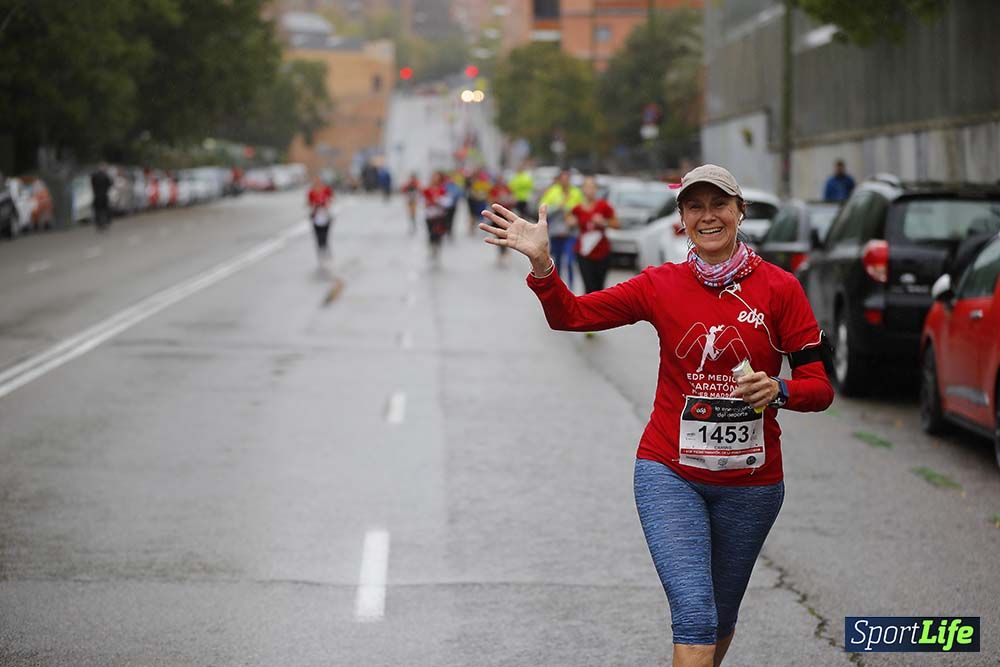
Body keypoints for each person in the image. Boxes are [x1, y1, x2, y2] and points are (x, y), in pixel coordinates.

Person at [480, 163, 834, 667]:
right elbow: (571, 316)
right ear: (682, 218)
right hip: (669, 471)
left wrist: (778, 390)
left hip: (752, 486)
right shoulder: (659, 284)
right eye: (695, 207)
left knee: (720, 619)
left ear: (740, 212)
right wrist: (542, 266)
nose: (707, 216)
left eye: (718, 205)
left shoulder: (781, 290)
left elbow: (820, 389)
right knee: (694, 616)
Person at [571, 175, 619, 296]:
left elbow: (616, 224)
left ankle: (598, 312)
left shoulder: (603, 206)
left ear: (596, 189)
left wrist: (604, 222)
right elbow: (569, 220)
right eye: (586, 187)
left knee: (599, 287)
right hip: (584, 252)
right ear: (582, 189)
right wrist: (571, 222)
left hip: (602, 251)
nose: (589, 190)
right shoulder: (577, 208)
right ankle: (588, 313)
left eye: (592, 187)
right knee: (588, 285)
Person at [538, 170, 583, 290]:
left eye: (567, 179)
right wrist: (559, 207)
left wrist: (575, 218)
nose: (565, 181)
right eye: (562, 179)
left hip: (571, 232)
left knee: (569, 261)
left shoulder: (576, 192)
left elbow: (582, 210)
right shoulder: (553, 191)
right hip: (556, 232)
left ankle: (570, 288)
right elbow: (543, 209)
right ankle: (557, 287)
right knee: (556, 261)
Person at [422, 171, 450, 263]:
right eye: (434, 177)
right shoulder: (427, 189)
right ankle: (432, 247)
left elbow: (447, 202)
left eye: (437, 177)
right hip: (430, 215)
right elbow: (422, 200)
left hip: (439, 215)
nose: (435, 179)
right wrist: (428, 202)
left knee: (438, 233)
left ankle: (437, 247)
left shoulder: (442, 189)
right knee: (431, 233)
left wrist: (438, 201)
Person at [487, 176, 516, 265]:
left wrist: (508, 199)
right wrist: (498, 199)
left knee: (505, 234)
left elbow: (513, 199)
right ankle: (501, 252)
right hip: (496, 214)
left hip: (505, 214)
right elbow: (490, 200)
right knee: (498, 234)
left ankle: (504, 251)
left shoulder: (507, 188)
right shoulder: (494, 189)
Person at [307, 176, 335, 266]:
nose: (318, 184)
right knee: (318, 235)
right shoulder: (311, 192)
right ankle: (320, 252)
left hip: (325, 214)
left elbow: (332, 199)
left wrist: (327, 203)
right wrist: (314, 205)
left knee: (325, 234)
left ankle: (326, 249)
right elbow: (308, 203)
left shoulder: (326, 190)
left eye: (319, 182)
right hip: (316, 215)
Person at [90, 163, 113, 232]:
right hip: (103, 195)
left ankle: (99, 223)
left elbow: (92, 184)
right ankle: (105, 222)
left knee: (98, 210)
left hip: (97, 195)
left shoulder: (95, 175)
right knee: (105, 209)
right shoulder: (105, 176)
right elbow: (110, 184)